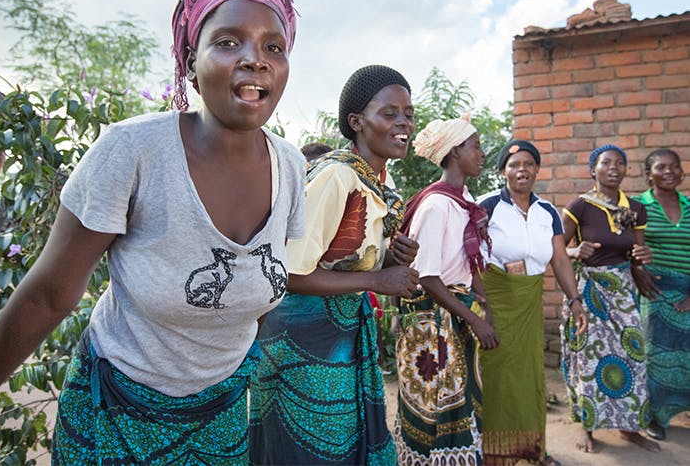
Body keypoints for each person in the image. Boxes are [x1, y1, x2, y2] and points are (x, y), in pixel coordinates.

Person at [0, 0, 305, 464]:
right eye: (229, 41)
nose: (256, 58)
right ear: (190, 58)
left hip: (224, 414)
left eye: (275, 47)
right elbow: (49, 296)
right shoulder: (132, 151)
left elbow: (260, 291)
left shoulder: (291, 167)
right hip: (114, 413)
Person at [250, 64, 420, 465]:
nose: (403, 123)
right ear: (356, 122)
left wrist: (393, 257)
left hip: (340, 333)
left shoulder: (378, 183)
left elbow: (341, 259)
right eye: (390, 113)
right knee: (312, 448)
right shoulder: (336, 176)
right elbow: (289, 273)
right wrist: (379, 278)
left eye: (409, 114)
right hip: (304, 342)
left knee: (341, 445)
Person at [393, 116, 499, 465]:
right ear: (455, 152)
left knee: (459, 401)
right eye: (476, 146)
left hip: (453, 313)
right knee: (435, 405)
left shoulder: (463, 200)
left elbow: (468, 262)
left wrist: (481, 298)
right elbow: (428, 278)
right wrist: (475, 320)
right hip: (433, 321)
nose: (482, 153)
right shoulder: (437, 205)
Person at [477, 140, 588, 466]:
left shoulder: (548, 212)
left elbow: (560, 259)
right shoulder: (487, 206)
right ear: (502, 172)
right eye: (514, 165)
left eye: (528, 164)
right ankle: (493, 451)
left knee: (529, 377)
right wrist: (481, 304)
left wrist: (576, 299)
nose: (521, 170)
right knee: (496, 376)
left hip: (528, 301)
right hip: (495, 300)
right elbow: (468, 255)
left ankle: (531, 447)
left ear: (537, 170)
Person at [560, 144, 660, 454]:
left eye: (620, 163)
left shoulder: (634, 208)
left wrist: (642, 258)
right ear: (594, 170)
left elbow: (637, 254)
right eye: (606, 162)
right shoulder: (580, 206)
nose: (614, 167)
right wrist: (575, 251)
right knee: (590, 359)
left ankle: (629, 426)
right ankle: (586, 427)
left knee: (633, 355)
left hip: (623, 290)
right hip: (590, 290)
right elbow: (557, 249)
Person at [632, 148, 690, 441]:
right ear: (648, 174)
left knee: (686, 356)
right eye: (662, 167)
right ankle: (651, 415)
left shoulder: (689, 205)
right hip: (654, 290)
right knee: (655, 355)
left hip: (688, 290)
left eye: (675, 167)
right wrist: (638, 268)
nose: (670, 172)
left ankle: (681, 410)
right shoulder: (638, 206)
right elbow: (627, 245)